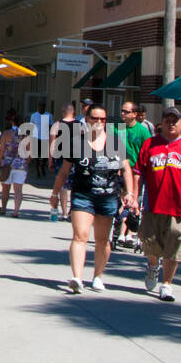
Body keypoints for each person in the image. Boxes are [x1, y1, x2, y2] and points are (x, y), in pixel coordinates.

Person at [51, 102, 134, 293]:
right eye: (94, 118)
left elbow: (126, 169)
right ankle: (77, 278)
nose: (98, 122)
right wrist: (55, 194)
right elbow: (64, 172)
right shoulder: (76, 143)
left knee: (103, 240)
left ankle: (97, 276)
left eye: (102, 119)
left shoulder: (115, 142)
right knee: (80, 236)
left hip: (108, 196)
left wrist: (130, 193)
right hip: (83, 194)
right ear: (86, 120)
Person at [136, 108, 181, 301]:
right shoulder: (150, 144)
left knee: (175, 243)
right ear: (161, 122)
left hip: (180, 206)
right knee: (150, 244)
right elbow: (139, 174)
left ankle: (167, 283)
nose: (172, 124)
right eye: (168, 120)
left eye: (175, 120)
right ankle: (153, 266)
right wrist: (133, 197)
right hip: (153, 204)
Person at [113, 102, 152, 250]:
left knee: (133, 201)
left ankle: (129, 233)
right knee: (121, 202)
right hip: (119, 170)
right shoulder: (116, 128)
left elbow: (148, 151)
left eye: (126, 112)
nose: (123, 114)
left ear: (135, 114)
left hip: (136, 172)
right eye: (121, 111)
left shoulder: (142, 131)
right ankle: (120, 233)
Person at [50, 102, 82, 217]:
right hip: (76, 157)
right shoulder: (80, 125)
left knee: (62, 183)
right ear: (73, 112)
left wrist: (50, 159)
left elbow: (52, 143)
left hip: (60, 157)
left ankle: (64, 212)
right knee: (75, 185)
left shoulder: (57, 125)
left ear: (63, 112)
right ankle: (72, 211)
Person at [0, 110, 29, 216]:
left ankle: (3, 208)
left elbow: (1, 150)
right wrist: (26, 162)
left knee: (5, 188)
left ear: (12, 122)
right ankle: (16, 211)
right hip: (20, 164)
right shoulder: (25, 135)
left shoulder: (6, 134)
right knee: (18, 190)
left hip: (7, 164)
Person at [30, 103, 53, 179]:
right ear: (38, 107)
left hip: (45, 137)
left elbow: (50, 126)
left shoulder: (49, 115)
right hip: (36, 137)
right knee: (36, 155)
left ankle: (42, 165)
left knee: (45, 155)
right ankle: (37, 171)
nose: (41, 108)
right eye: (40, 106)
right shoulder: (34, 115)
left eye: (42, 106)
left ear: (44, 107)